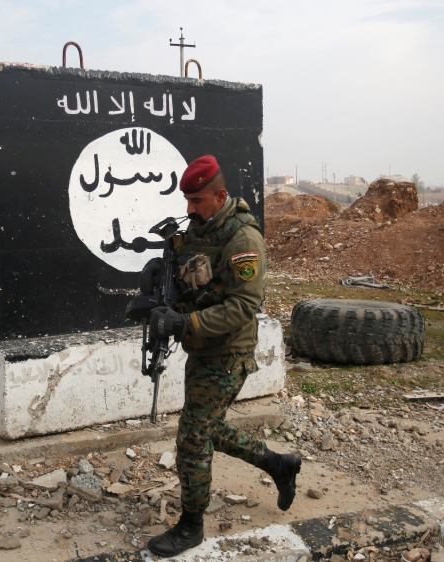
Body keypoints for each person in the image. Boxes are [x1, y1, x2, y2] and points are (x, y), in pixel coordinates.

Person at [141, 155, 301, 557]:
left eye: (197, 200)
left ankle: (191, 526)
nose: (189, 209)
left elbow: (244, 307)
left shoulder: (243, 240)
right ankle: (278, 464)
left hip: (228, 351)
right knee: (208, 427)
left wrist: (183, 325)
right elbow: (184, 268)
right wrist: (158, 274)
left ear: (220, 196)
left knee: (194, 436)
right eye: (187, 201)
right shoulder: (196, 229)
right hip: (202, 347)